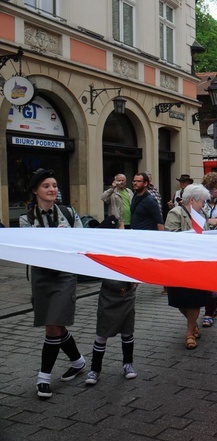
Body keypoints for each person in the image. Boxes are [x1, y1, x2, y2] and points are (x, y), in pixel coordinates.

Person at [20, 169, 86, 399]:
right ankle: (78, 361)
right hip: (41, 276)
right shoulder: (26, 218)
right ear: (35, 190)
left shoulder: (68, 213)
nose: (52, 189)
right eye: (46, 186)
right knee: (56, 324)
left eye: (55, 185)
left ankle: (43, 378)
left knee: (52, 326)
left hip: (65, 274)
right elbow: (28, 250)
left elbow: (82, 240)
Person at [85, 215, 138, 386]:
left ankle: (127, 364)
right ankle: (95, 370)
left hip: (127, 294)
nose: (122, 231)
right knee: (102, 334)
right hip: (108, 295)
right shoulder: (102, 249)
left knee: (127, 332)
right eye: (119, 229)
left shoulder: (129, 247)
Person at [164, 184, 212, 349]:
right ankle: (192, 324)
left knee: (195, 300)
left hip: (198, 265)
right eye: (202, 202)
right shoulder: (175, 213)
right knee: (178, 299)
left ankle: (190, 332)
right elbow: (171, 236)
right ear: (192, 200)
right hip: (179, 264)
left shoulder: (202, 214)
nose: (204, 205)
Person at [201, 172, 217, 327]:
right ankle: (209, 306)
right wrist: (208, 221)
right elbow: (190, 216)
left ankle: (209, 311)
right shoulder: (200, 200)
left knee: (213, 276)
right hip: (201, 243)